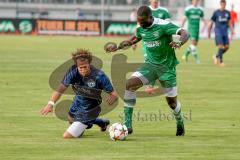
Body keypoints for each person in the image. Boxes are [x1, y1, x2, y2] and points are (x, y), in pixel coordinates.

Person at [105, 6, 189, 136]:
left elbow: (184, 33)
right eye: (139, 22)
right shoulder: (141, 28)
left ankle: (180, 122)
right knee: (129, 85)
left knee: (172, 103)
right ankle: (128, 125)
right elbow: (132, 40)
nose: (141, 24)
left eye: (143, 21)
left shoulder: (163, 25)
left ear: (150, 17)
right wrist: (117, 47)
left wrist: (180, 42)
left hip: (167, 68)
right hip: (149, 66)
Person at [40, 49, 118, 139]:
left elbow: (114, 93)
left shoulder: (99, 76)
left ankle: (85, 123)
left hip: (91, 109)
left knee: (67, 136)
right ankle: (101, 122)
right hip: (77, 102)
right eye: (80, 68)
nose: (83, 70)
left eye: (85, 67)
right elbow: (60, 89)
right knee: (71, 120)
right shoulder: (73, 72)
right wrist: (50, 104)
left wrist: (113, 97)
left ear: (89, 64)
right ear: (76, 66)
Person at [208, 0, 234, 67]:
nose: (223, 6)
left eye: (224, 4)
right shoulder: (216, 12)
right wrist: (209, 31)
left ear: (225, 4)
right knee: (221, 46)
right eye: (222, 4)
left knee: (227, 47)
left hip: (225, 32)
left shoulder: (227, 12)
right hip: (218, 31)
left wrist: (232, 30)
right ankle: (221, 62)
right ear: (220, 4)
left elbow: (229, 22)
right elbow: (211, 22)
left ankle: (216, 56)